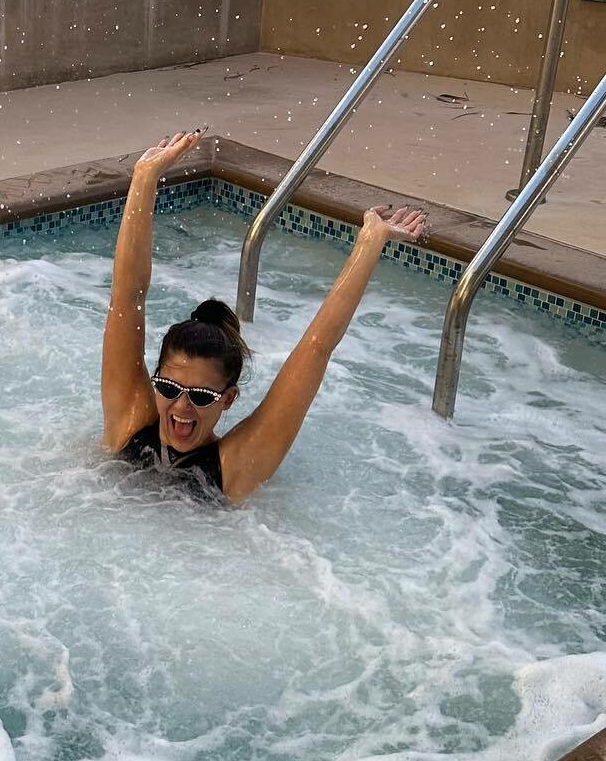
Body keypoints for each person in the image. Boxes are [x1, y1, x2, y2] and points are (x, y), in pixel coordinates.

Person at [101, 129, 427, 504]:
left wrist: (371, 241)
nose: (181, 407)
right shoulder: (128, 423)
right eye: (170, 389)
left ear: (228, 399)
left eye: (202, 396)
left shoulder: (234, 468)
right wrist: (144, 178)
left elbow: (317, 347)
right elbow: (126, 297)